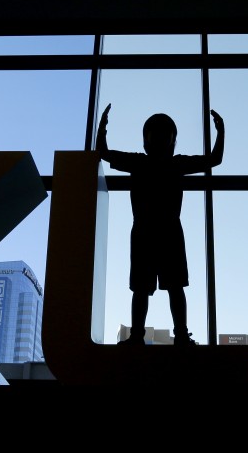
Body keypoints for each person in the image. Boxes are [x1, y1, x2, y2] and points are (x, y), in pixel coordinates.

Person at [96, 103, 225, 347]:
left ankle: (142, 336)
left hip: (149, 230)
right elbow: (214, 159)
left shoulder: (140, 163)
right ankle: (177, 336)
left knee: (148, 288)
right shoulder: (175, 164)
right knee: (165, 287)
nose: (160, 138)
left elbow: (104, 152)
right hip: (166, 230)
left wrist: (102, 128)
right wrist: (220, 133)